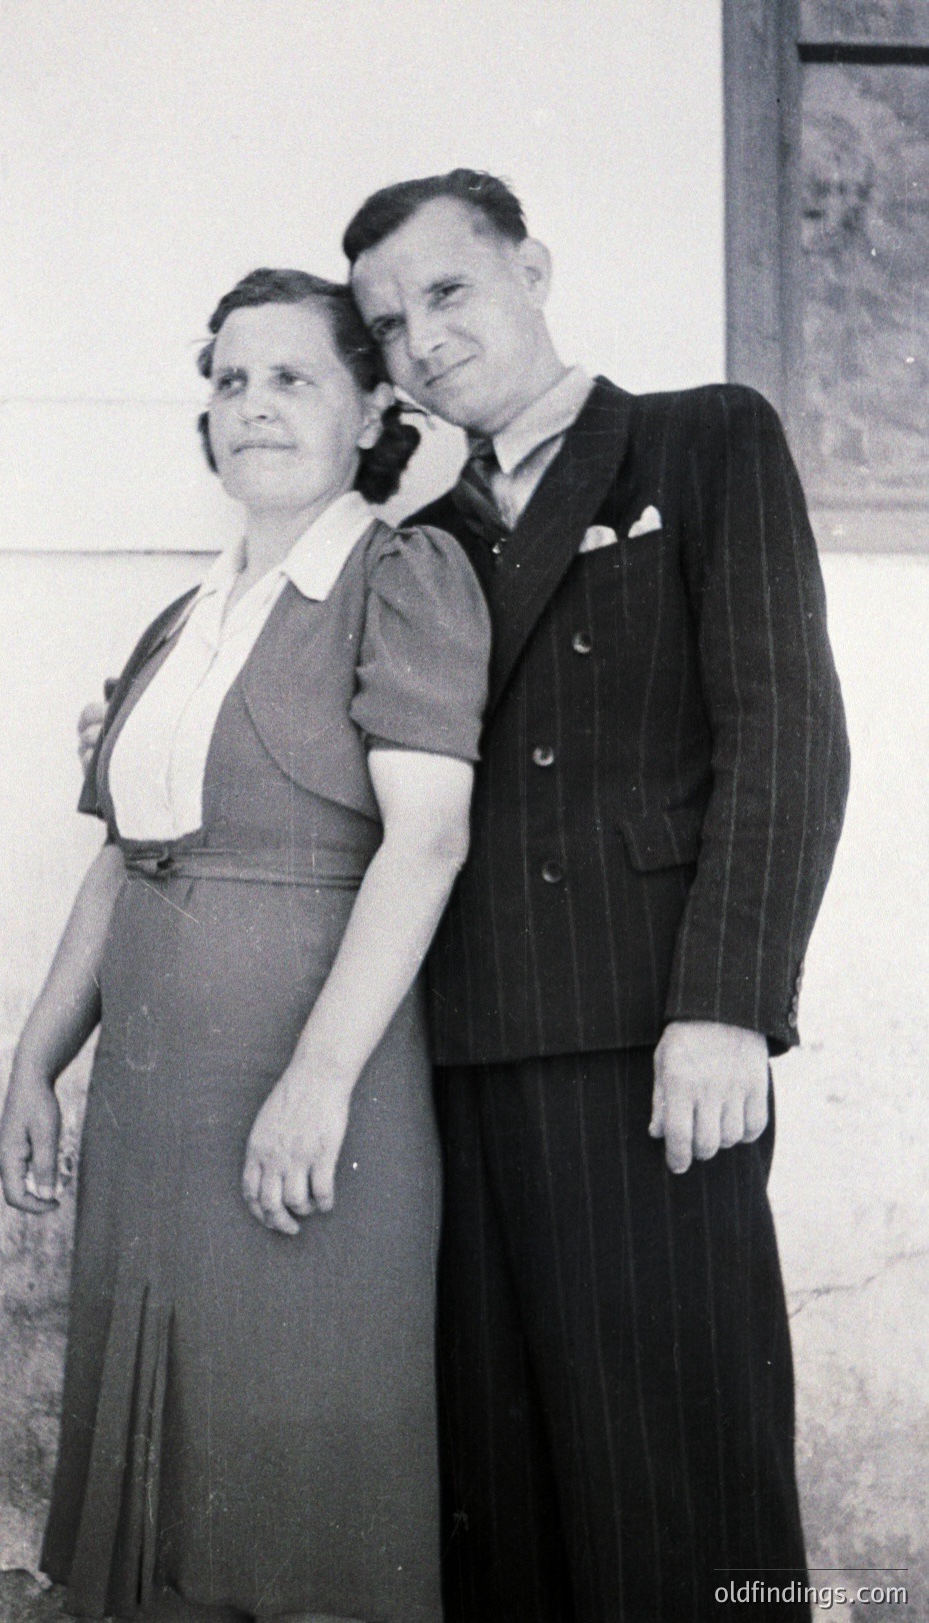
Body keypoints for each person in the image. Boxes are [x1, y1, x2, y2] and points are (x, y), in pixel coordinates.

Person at [338, 172, 851, 1622]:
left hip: (648, 1047)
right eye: (387, 326)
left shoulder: (700, 441)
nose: (423, 341)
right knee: (503, 1508)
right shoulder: (414, 522)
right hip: (454, 1055)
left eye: (447, 292)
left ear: (533, 269)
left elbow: (788, 730)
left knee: (681, 1488)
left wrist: (727, 1008)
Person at [0, 267, 491, 1623]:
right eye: (227, 381)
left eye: (292, 378)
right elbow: (124, 857)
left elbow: (428, 842)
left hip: (308, 1094)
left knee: (307, 1502)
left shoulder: (404, 577)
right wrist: (36, 1067)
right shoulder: (183, 619)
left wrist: (318, 1084)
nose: (252, 407)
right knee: (168, 1522)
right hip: (155, 1113)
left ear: (371, 405)